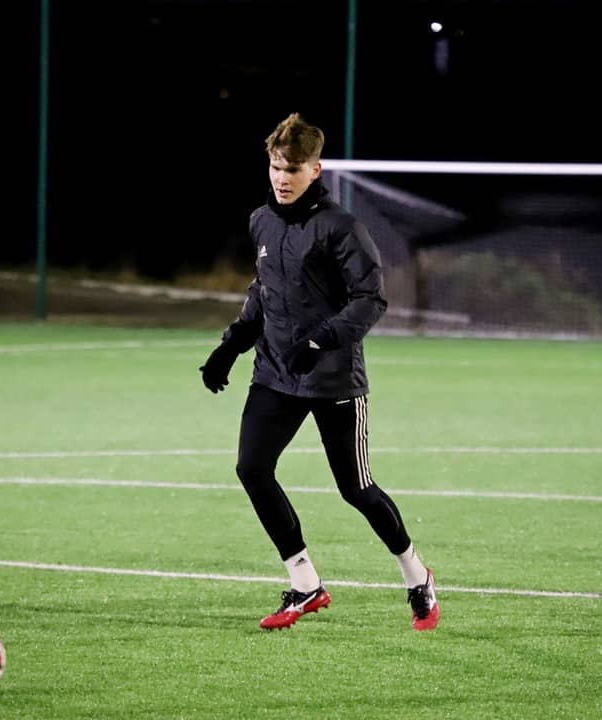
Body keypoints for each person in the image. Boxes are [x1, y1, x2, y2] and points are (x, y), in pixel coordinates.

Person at [199, 112, 439, 631]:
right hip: (276, 373)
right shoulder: (261, 221)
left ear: (315, 169)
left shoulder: (342, 228)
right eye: (275, 166)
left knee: (357, 489)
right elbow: (263, 291)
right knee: (252, 469)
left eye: (292, 168)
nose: (281, 177)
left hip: (333, 378)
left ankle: (417, 575)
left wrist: (320, 340)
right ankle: (305, 583)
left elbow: (371, 299)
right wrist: (231, 345)